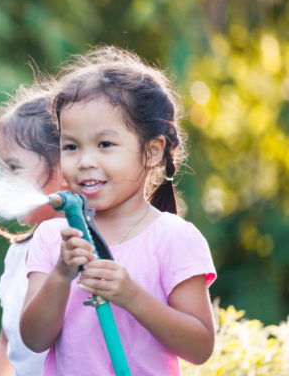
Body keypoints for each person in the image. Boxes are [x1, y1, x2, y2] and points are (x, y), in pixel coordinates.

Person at [19, 47, 217, 375]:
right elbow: (34, 339)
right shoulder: (55, 238)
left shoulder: (173, 238)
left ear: (152, 151)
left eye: (105, 144)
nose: (85, 161)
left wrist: (133, 297)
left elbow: (200, 347)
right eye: (71, 146)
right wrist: (60, 275)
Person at [0, 83, 66, 376]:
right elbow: (6, 345)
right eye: (2, 169)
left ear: (65, 169)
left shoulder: (83, 248)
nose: (5, 182)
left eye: (14, 168)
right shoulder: (18, 253)